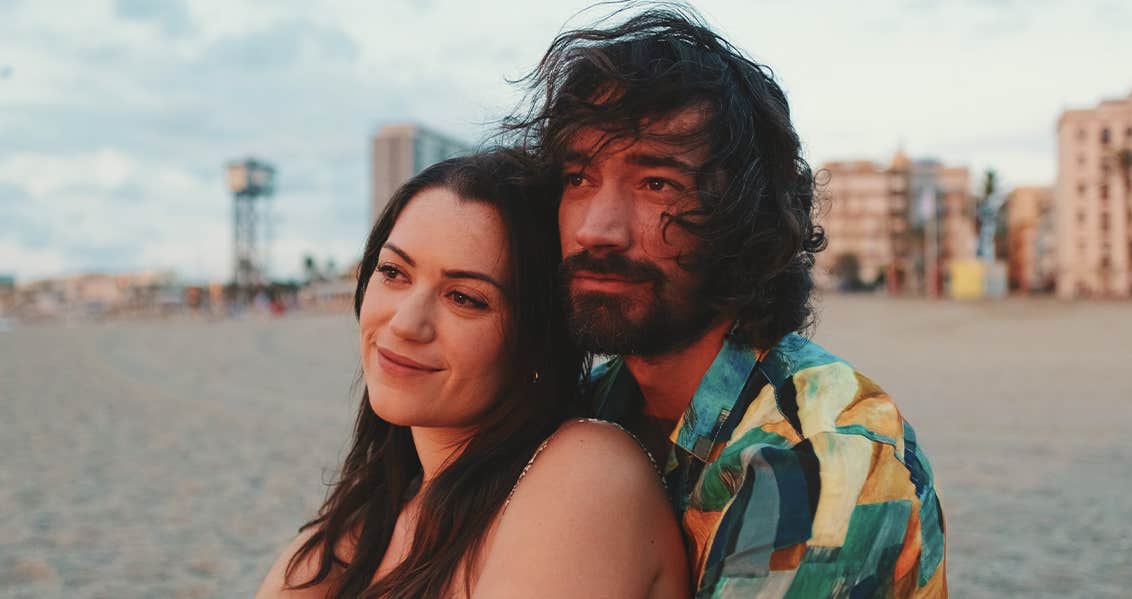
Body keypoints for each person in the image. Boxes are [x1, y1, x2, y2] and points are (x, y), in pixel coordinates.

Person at [506, 6, 948, 597]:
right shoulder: (592, 405)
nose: (596, 230)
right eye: (578, 178)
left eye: (656, 182)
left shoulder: (816, 461)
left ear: (747, 219)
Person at [256, 150, 688, 598]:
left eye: (464, 298)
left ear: (537, 340)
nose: (405, 322)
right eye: (393, 272)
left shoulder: (586, 471)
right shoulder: (380, 504)